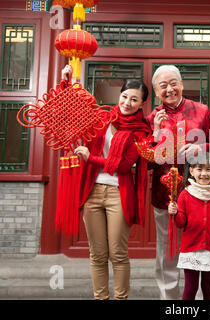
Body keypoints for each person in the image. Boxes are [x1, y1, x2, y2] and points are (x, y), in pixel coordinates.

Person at [62, 65, 152, 300]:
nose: (127, 102)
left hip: (118, 194)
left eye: (134, 99)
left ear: (142, 104)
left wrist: (90, 158)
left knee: (118, 254)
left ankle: (121, 298)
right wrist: (67, 81)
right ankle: (100, 298)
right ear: (119, 95)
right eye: (124, 96)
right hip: (92, 192)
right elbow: (74, 110)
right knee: (98, 254)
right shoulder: (102, 117)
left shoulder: (141, 131)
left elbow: (123, 165)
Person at [146, 65, 210, 300]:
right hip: (165, 194)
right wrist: (155, 134)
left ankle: (194, 300)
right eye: (163, 86)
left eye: (173, 83)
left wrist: (201, 147)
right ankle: (169, 300)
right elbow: (145, 161)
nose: (169, 89)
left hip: (200, 194)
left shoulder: (202, 111)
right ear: (156, 91)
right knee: (166, 251)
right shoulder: (151, 118)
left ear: (182, 84)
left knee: (197, 248)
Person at [167, 152, 210, 300]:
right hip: (191, 249)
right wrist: (174, 213)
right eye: (199, 169)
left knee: (209, 289)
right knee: (190, 288)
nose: (203, 173)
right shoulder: (185, 195)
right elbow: (181, 223)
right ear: (191, 171)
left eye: (208, 169)